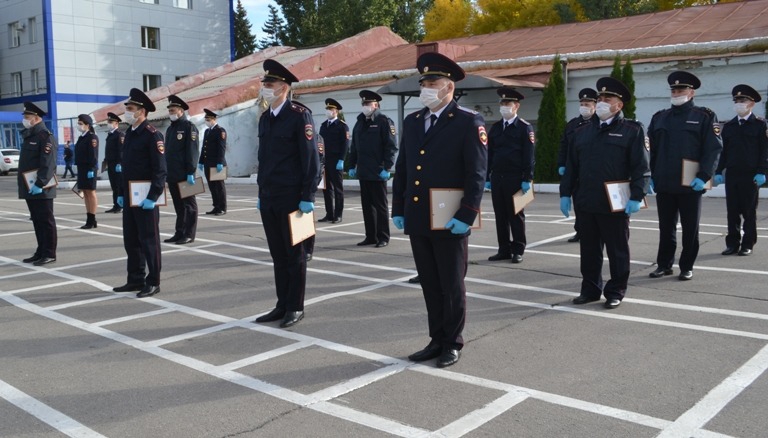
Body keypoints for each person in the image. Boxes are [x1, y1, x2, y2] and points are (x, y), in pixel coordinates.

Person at [392, 52, 487, 368]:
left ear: (449, 87)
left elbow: (476, 172)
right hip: (419, 216)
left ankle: (453, 341)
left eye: (432, 82)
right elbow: (404, 167)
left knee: (451, 284)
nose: (426, 88)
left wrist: (468, 213)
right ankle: (436, 338)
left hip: (450, 216)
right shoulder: (413, 120)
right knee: (430, 283)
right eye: (424, 83)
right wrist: (399, 207)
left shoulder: (467, 121)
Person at [559, 77, 650, 309]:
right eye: (599, 98)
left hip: (616, 201)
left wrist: (637, 196)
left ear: (618, 105)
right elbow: (572, 166)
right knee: (589, 250)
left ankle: (616, 290)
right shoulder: (582, 131)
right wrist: (565, 193)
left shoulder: (632, 130)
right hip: (587, 200)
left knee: (617, 249)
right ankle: (590, 290)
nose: (600, 102)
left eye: (606, 99)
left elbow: (641, 167)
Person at [253, 59, 320, 328]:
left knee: (295, 255)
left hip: (293, 197)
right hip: (270, 195)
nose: (265, 88)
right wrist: (261, 191)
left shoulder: (299, 115)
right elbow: (264, 158)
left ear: (284, 87)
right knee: (278, 255)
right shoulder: (266, 118)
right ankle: (281, 304)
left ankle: (295, 306)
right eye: (264, 84)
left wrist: (308, 195)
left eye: (270, 84)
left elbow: (311, 159)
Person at [648, 71, 722, 281]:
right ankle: (664, 264)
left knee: (690, 227)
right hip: (664, 182)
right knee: (666, 227)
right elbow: (650, 150)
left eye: (681, 89)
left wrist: (705, 175)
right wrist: (650, 175)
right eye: (673, 89)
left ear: (692, 92)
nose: (676, 92)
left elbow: (713, 149)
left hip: (691, 183)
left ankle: (686, 266)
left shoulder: (704, 116)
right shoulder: (660, 117)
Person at [113, 88, 167, 298]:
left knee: (149, 240)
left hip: (146, 198)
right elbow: (125, 167)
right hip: (129, 195)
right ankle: (135, 279)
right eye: (126, 108)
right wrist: (119, 192)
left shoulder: (152, 135)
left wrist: (153, 196)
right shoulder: (129, 135)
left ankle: (153, 281)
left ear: (142, 111)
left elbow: (160, 170)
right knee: (131, 240)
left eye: (131, 108)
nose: (127, 111)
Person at [714, 84, 768, 256]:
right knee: (732, 211)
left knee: (748, 211)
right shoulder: (729, 126)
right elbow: (723, 151)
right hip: (732, 174)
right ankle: (732, 243)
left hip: (751, 175)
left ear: (752, 103)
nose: (739, 103)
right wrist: (718, 170)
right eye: (736, 100)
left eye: (742, 100)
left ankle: (748, 243)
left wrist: (762, 172)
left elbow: (765, 151)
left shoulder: (760, 125)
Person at [486, 87, 535, 264]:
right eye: (502, 103)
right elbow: (489, 153)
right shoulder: (496, 127)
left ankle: (518, 249)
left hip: (516, 178)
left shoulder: (524, 127)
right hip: (497, 177)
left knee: (516, 215)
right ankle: (503, 249)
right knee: (500, 215)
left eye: (508, 103)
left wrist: (527, 178)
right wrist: (486, 177)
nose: (504, 106)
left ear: (516, 106)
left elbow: (529, 155)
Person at [348, 90, 397, 248]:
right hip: (363, 171)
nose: (366, 106)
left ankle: (383, 237)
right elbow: (354, 146)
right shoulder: (360, 121)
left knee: (380, 206)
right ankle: (371, 236)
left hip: (378, 171)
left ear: (376, 105)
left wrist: (387, 167)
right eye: (364, 104)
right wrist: (351, 165)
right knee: (367, 206)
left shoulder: (384, 121)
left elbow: (391, 146)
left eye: (368, 104)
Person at [18, 102, 58, 266]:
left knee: (46, 220)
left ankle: (49, 253)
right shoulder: (31, 136)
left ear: (36, 118)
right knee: (36, 219)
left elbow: (48, 164)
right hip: (30, 186)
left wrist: (40, 184)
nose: (25, 120)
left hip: (41, 186)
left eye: (27, 118)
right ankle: (41, 250)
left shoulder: (45, 136)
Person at [557, 88, 598, 243]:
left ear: (595, 104)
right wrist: (562, 164)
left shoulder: (598, 123)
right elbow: (564, 146)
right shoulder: (572, 124)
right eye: (582, 103)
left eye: (587, 103)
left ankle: (591, 230)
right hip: (575, 169)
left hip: (591, 169)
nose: (584, 106)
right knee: (578, 202)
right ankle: (580, 230)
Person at [164, 94, 200, 245]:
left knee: (189, 206)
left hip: (186, 175)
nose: (171, 113)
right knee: (179, 207)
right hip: (173, 174)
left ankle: (189, 234)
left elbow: (192, 152)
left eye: (173, 110)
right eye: (170, 110)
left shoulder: (189, 127)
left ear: (180, 110)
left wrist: (191, 172)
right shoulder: (170, 129)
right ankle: (179, 232)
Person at [318, 98, 350, 224]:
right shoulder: (323, 125)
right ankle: (329, 213)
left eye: (331, 109)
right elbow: (320, 143)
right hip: (325, 161)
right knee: (326, 189)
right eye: (327, 109)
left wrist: (342, 159)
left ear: (336, 111)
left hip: (336, 161)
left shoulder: (342, 126)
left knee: (338, 189)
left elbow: (345, 144)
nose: (329, 111)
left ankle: (338, 214)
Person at [198, 109, 227, 216]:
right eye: (206, 119)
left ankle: (222, 207)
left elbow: (221, 148)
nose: (206, 121)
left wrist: (220, 162)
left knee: (219, 187)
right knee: (212, 187)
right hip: (208, 163)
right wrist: (201, 161)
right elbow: (204, 148)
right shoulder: (207, 131)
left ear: (214, 119)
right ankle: (216, 206)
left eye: (208, 119)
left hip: (217, 163)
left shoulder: (220, 131)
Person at [74, 114, 99, 229]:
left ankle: (92, 218)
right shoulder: (81, 137)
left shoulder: (92, 137)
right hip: (82, 168)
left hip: (89, 168)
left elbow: (93, 155)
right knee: (85, 193)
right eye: (78, 123)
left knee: (91, 193)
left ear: (87, 125)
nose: (78, 125)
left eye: (81, 124)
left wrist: (92, 169)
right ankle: (89, 218)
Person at [104, 112, 125, 214]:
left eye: (110, 121)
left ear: (116, 123)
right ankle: (115, 205)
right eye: (108, 121)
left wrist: (120, 163)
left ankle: (119, 205)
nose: (109, 123)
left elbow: (121, 150)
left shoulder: (119, 135)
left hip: (117, 164)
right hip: (111, 164)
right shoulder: (110, 135)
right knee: (113, 185)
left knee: (118, 185)